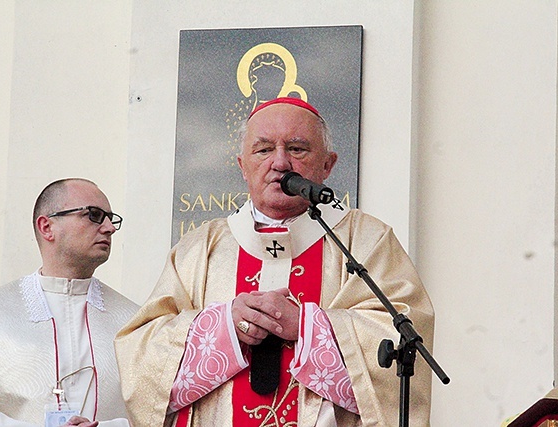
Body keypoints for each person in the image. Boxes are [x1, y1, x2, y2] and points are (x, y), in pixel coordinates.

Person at [115, 98, 435, 426]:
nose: (280, 163)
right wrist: (225, 326)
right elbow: (142, 361)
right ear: (242, 165)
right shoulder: (200, 249)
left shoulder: (368, 242)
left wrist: (308, 327)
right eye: (264, 149)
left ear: (328, 165)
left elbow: (403, 338)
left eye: (297, 149)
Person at [0, 178, 139, 427]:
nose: (109, 228)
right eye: (94, 215)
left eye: (110, 218)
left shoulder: (134, 321)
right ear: (47, 226)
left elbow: (154, 416)